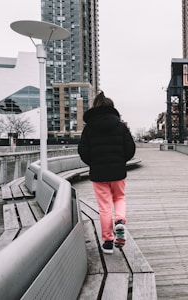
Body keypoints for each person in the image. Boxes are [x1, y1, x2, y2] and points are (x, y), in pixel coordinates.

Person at [78, 91, 136, 254]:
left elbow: (83, 150)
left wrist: (94, 163)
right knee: (119, 198)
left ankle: (108, 242)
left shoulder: (89, 128)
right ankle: (119, 219)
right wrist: (121, 160)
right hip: (118, 171)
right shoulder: (120, 125)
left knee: (104, 207)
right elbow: (130, 148)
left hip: (98, 173)